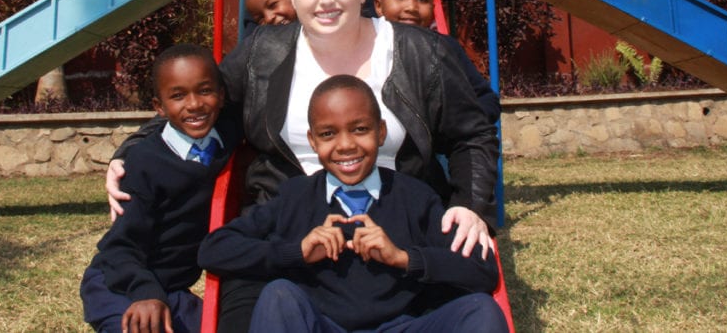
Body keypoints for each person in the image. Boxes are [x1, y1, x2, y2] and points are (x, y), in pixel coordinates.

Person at [108, 0, 497, 332]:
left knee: (470, 310)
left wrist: (469, 205)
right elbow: (203, 107)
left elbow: (472, 134)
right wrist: (132, 149)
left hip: (398, 221)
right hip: (291, 224)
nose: (325, 1)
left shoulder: (420, 51)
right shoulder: (263, 51)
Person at [198, 75, 505, 333]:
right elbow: (213, 249)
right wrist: (298, 252)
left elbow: (484, 269)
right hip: (323, 325)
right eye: (328, 134)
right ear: (313, 141)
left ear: (381, 132)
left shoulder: (414, 196)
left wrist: (403, 258)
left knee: (480, 310)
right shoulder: (295, 197)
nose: (346, 145)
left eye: (360, 129)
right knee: (279, 296)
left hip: (400, 326)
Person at [81, 45, 240, 333]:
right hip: (121, 285)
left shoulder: (228, 137)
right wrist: (145, 293)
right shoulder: (145, 162)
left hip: (173, 290)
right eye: (178, 96)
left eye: (205, 91)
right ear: (159, 107)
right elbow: (120, 246)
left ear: (222, 95)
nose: (194, 104)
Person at [373, 0, 499, 120]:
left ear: (433, 7)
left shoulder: (445, 48)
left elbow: (487, 99)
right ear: (379, 6)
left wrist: (457, 124)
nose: (411, 7)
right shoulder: (368, 47)